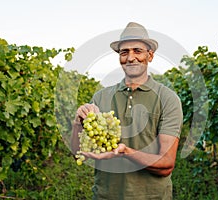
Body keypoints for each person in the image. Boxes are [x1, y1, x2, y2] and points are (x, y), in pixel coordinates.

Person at [71, 22, 183, 200]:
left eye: (137, 51)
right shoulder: (100, 97)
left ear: (150, 56)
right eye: (124, 52)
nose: (131, 58)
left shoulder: (167, 99)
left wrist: (126, 152)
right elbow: (78, 152)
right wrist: (78, 123)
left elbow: (166, 164)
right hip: (105, 196)